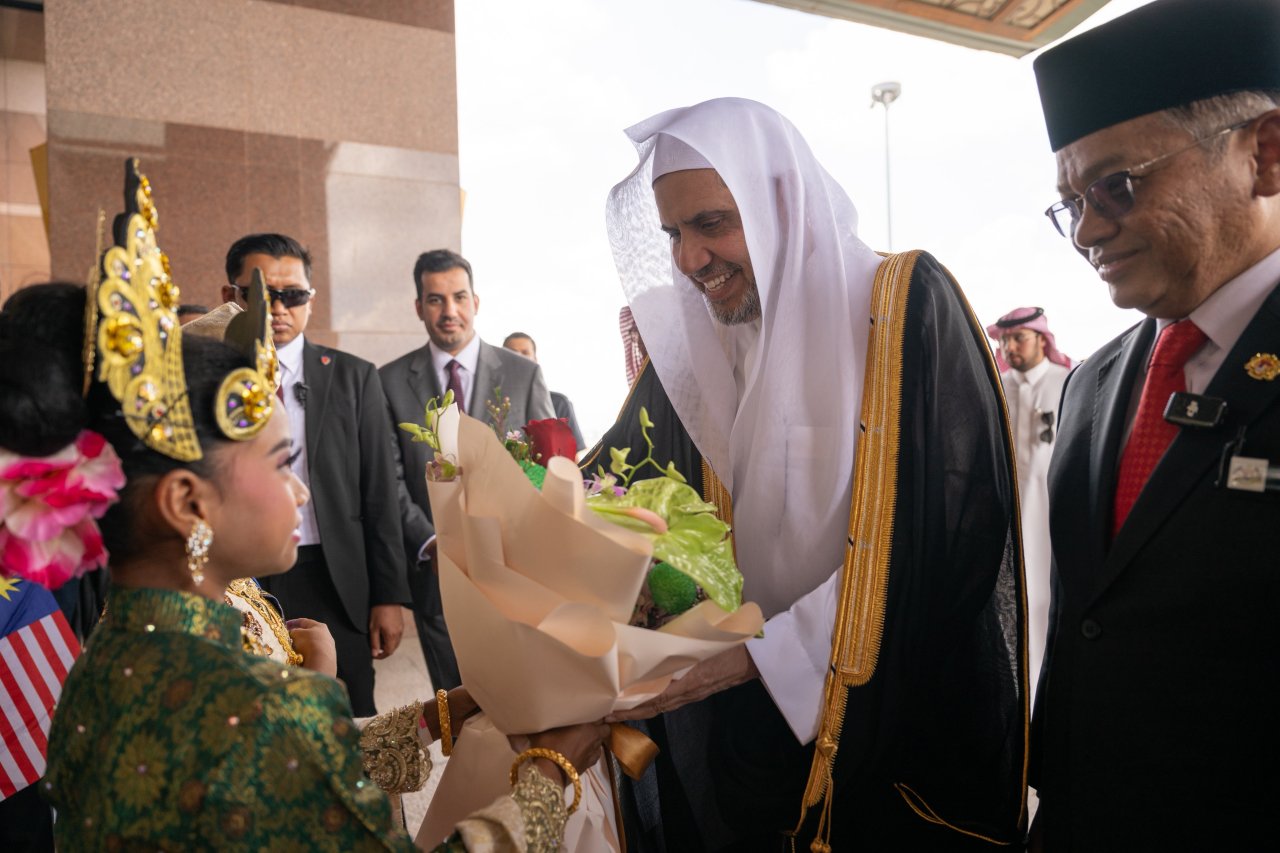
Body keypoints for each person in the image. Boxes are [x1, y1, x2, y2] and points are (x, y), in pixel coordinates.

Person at [0, 164, 607, 850]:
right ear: (185, 501)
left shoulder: (115, 654)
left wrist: (456, 707)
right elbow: (285, 753)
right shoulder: (259, 703)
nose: (303, 491)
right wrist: (550, 779)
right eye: (282, 464)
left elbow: (280, 783)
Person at [595, 98, 1026, 851]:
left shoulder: (900, 305)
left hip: (889, 735)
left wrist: (766, 654)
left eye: (711, 224)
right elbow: (613, 484)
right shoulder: (697, 343)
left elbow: (952, 537)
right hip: (742, 741)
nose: (690, 260)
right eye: (673, 233)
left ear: (780, 203)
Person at [1029, 1, 1280, 848]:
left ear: (1265, 153)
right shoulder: (1095, 383)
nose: (1089, 231)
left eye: (1117, 186)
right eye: (1072, 203)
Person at [222, 233, 409, 717]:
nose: (279, 309)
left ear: (310, 298)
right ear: (232, 298)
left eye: (294, 295)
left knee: (352, 711)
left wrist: (388, 596)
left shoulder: (353, 376)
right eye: (262, 295)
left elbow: (379, 492)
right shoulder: (212, 377)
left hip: (334, 575)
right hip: (242, 577)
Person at [381, 249, 555, 692]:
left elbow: (547, 467)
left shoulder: (523, 375)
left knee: (526, 697)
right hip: (438, 577)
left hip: (518, 569)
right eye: (435, 300)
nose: (449, 311)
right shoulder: (389, 381)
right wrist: (434, 543)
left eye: (459, 297)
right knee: (458, 706)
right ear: (419, 307)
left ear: (476, 301)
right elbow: (391, 479)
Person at [986, 306, 1071, 701]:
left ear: (1042, 339)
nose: (1010, 347)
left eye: (1018, 337)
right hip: (1003, 517)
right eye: (1004, 340)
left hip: (1052, 518)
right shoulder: (996, 385)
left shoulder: (1068, 382)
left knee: (1047, 599)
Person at [501, 331, 585, 452]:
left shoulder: (559, 403)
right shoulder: (491, 402)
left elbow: (574, 457)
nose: (518, 358)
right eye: (512, 353)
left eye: (525, 353)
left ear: (535, 360)